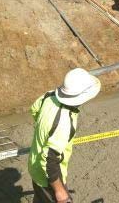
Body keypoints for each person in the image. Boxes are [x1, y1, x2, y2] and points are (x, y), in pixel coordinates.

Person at [28, 68, 101, 203]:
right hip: (48, 178)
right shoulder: (64, 123)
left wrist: (45, 131)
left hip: (34, 165)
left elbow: (34, 109)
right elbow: (49, 160)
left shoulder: (48, 96)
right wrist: (59, 191)